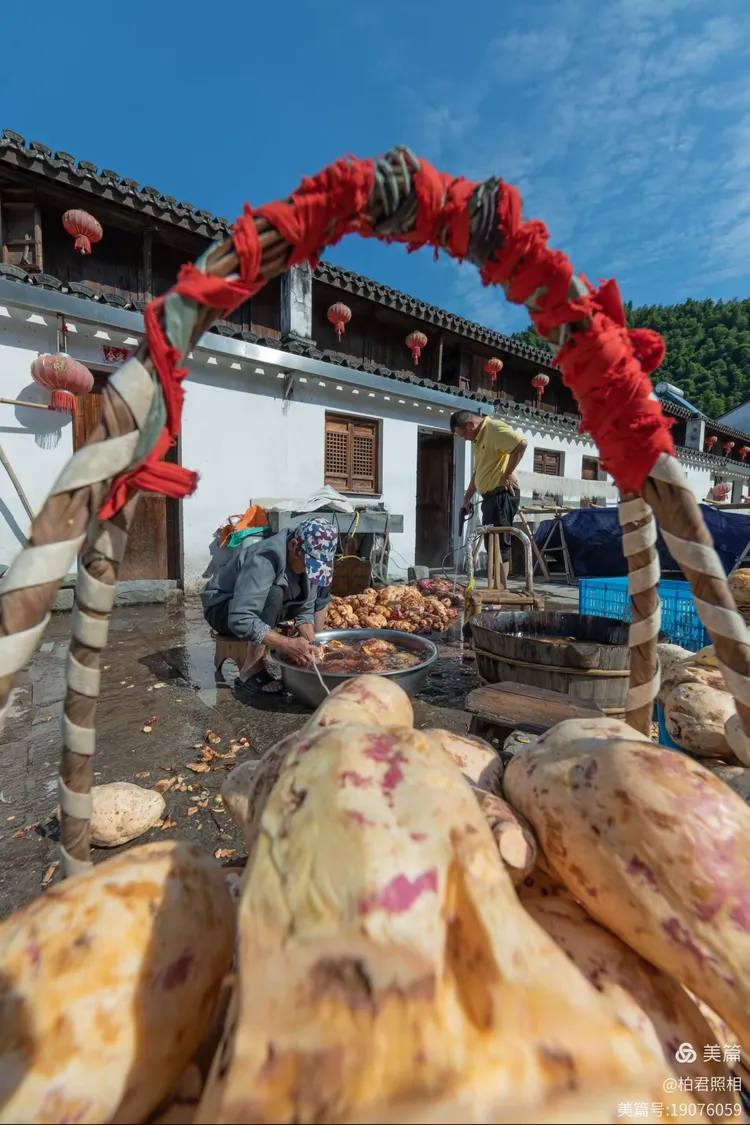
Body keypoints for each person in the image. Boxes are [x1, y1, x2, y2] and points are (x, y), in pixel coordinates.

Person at [200, 516, 338, 697]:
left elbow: (304, 612)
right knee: (274, 594)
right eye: (309, 564)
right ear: (294, 546)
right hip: (223, 608)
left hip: (251, 607)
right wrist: (287, 644)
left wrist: (315, 653)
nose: (310, 570)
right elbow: (241, 619)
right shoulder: (265, 558)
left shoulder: (305, 563)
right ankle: (250, 671)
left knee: (314, 587)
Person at [450, 409, 528, 581]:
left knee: (500, 545)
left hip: (501, 495)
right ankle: (495, 589)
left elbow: (521, 444)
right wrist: (467, 497)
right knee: (491, 544)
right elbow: (479, 471)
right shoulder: (479, 440)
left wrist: (507, 473)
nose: (464, 438)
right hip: (489, 497)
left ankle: (500, 595)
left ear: (471, 424)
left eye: (463, 434)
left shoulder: (493, 428)